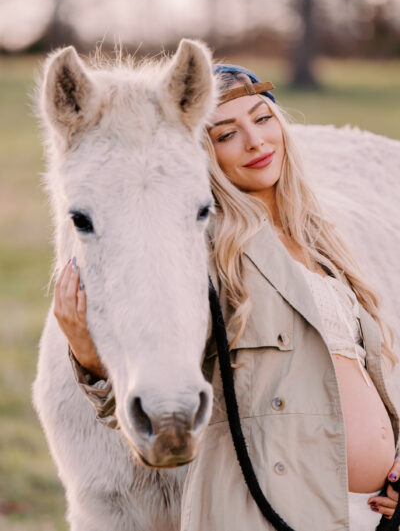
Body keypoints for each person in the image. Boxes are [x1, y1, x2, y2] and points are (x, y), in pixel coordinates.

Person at [54, 63, 400, 530]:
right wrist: (86, 353)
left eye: (262, 119)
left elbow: (361, 368)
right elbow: (162, 381)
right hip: (287, 509)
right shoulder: (218, 250)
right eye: (226, 134)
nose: (255, 142)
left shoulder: (321, 239)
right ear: (203, 156)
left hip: (367, 511)